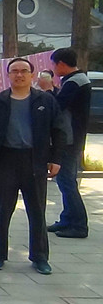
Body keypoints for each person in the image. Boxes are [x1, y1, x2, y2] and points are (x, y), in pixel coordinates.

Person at [0, 57, 68, 274]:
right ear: (8, 75)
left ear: (32, 75)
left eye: (23, 71)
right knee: (2, 209)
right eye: (14, 71)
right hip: (6, 159)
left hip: (35, 160)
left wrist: (56, 159)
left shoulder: (45, 101)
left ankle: (40, 257)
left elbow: (59, 130)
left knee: (37, 211)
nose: (19, 75)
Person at [49, 48, 91, 238]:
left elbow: (58, 106)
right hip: (74, 136)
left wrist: (48, 91)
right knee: (66, 179)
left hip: (69, 137)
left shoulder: (75, 82)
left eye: (54, 64)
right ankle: (67, 219)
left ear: (61, 64)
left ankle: (79, 225)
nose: (53, 68)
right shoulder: (76, 79)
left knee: (66, 180)